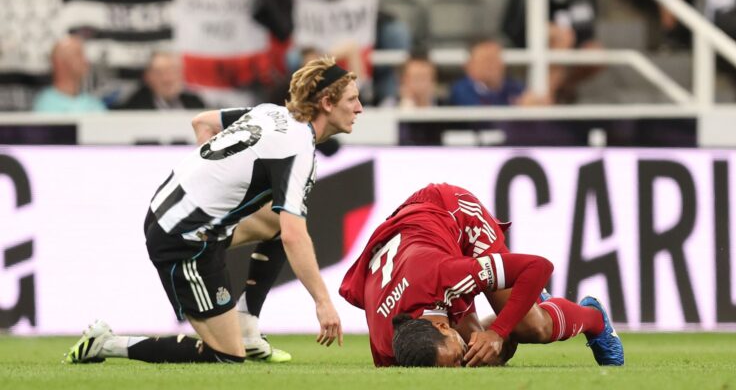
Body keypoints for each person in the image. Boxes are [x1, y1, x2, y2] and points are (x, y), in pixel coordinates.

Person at [65, 56, 362, 364]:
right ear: (327, 103)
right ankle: (106, 343)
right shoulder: (297, 148)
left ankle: (247, 325)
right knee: (227, 356)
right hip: (183, 237)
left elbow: (203, 121)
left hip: (171, 211)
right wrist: (323, 302)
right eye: (352, 99)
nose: (359, 108)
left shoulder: (271, 112)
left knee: (276, 219)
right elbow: (294, 237)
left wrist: (212, 179)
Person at [339, 183, 624, 367]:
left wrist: (497, 332)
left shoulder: (445, 275)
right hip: (417, 251)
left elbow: (539, 266)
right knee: (482, 357)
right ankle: (523, 298)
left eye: (453, 359)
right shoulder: (389, 346)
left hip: (451, 213)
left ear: (443, 328)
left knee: (529, 327)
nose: (459, 367)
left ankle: (594, 318)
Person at [449, 38, 549, 107]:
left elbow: (530, 101)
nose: (492, 66)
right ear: (469, 65)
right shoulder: (461, 89)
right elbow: (480, 118)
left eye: (496, 59)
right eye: (486, 60)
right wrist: (517, 107)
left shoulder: (514, 86)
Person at [33, 35, 105, 113]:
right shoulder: (46, 104)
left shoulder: (93, 103)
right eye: (78, 55)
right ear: (59, 63)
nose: (85, 61)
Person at [113, 52, 206, 110]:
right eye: (159, 73)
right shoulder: (134, 107)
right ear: (147, 77)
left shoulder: (195, 103)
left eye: (174, 71)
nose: (168, 79)